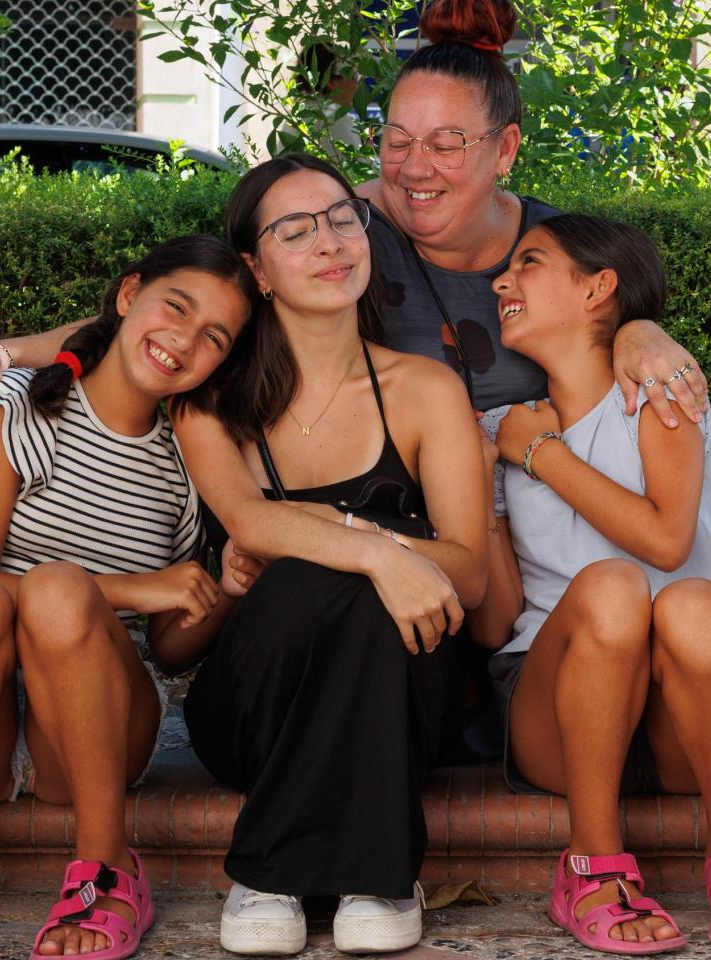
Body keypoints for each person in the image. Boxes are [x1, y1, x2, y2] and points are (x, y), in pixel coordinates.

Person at [0, 0, 710, 459]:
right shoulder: (342, 233)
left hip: (542, 534)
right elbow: (185, 311)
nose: (415, 168)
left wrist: (638, 331)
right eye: (396, 139)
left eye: (448, 143)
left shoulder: (556, 247)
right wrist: (6, 353)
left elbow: (616, 312)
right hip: (391, 515)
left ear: (504, 150)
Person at [0, 236, 261, 960]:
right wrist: (132, 588)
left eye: (214, 337)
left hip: (94, 727)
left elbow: (169, 650)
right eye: (176, 307)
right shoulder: (14, 408)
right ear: (128, 295)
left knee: (57, 592)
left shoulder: (186, 458)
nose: (183, 340)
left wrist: (228, 589)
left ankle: (108, 869)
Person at [172, 153, 488, 955]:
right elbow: (250, 523)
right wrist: (383, 554)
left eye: (344, 217)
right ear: (256, 269)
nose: (330, 241)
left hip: (398, 703)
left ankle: (286, 874)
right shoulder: (212, 401)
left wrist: (361, 547)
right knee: (302, 583)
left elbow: (472, 574)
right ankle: (362, 869)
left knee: (350, 594)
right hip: (256, 705)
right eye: (295, 230)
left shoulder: (426, 389)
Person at [470, 214, 711, 954]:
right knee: (613, 589)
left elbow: (666, 540)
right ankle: (590, 866)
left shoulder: (663, 395)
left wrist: (542, 455)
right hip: (557, 716)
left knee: (690, 600)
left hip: (684, 718)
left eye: (528, 263)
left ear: (599, 289)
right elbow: (494, 625)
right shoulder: (499, 430)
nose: (501, 282)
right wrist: (485, 494)